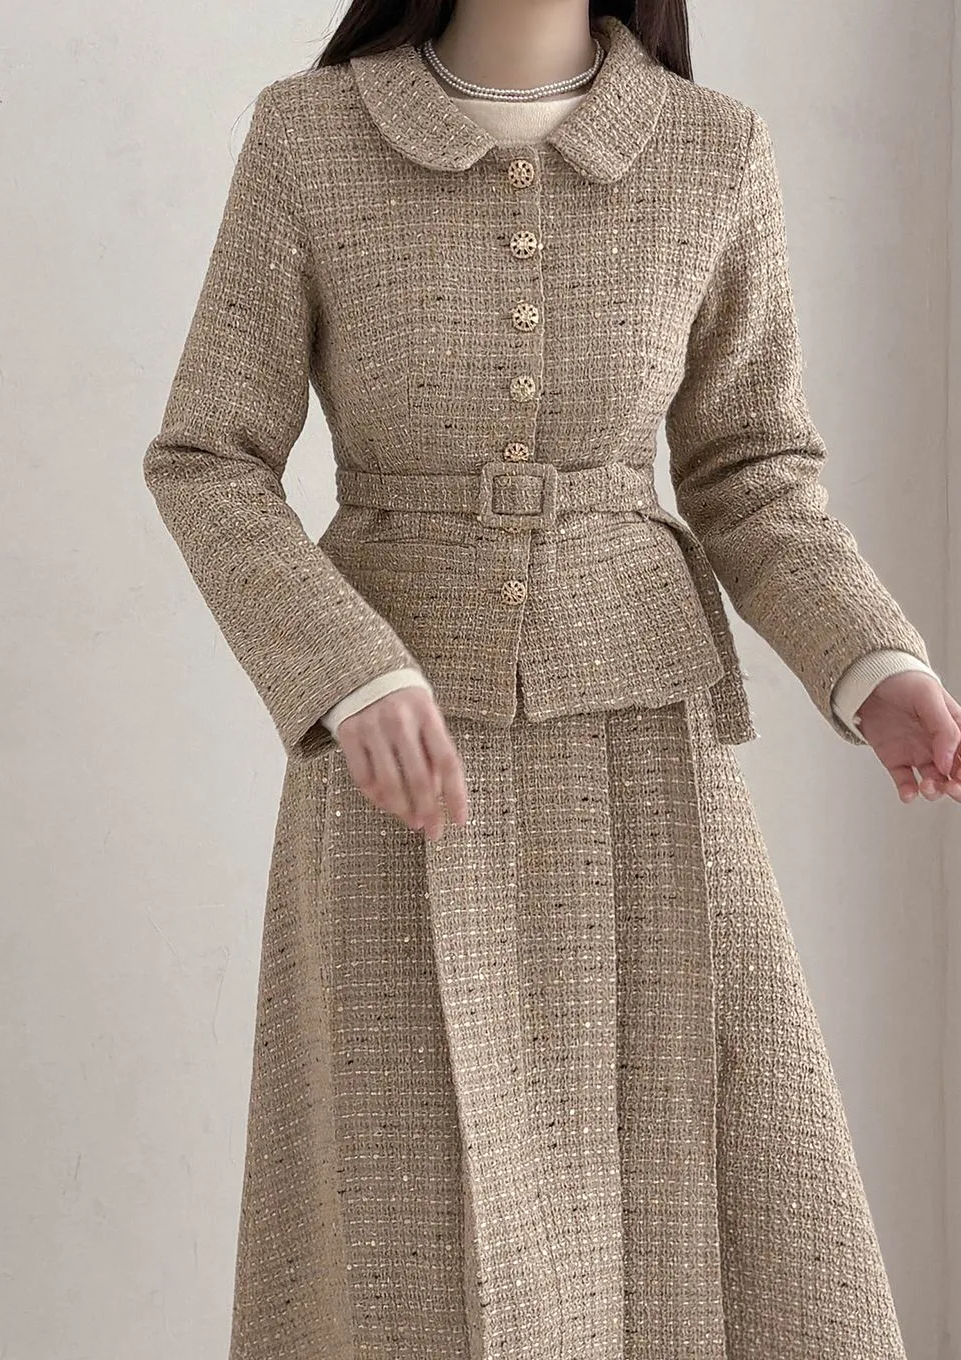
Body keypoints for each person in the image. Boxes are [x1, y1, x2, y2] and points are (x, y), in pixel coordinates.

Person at [142, 3, 961, 1356]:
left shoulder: (713, 151)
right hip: (400, 772)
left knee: (711, 1179)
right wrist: (349, 671)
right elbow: (209, 458)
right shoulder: (311, 136)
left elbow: (751, 468)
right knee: (406, 1197)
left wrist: (872, 660)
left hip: (647, 745)